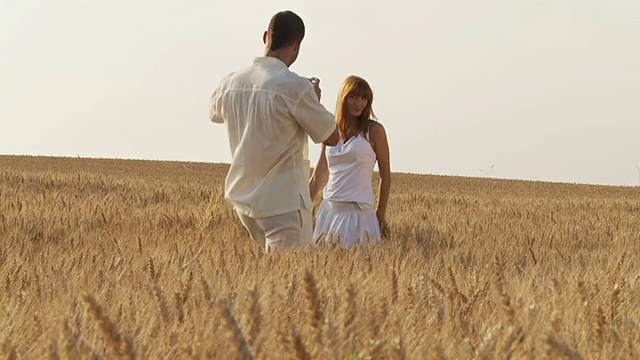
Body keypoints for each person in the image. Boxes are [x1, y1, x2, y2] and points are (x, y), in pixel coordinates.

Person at [209, 10, 340, 252]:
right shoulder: (295, 87)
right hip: (283, 206)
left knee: (270, 279)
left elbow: (214, 114)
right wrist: (314, 101)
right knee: (290, 281)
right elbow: (332, 136)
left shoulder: (230, 82)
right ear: (297, 45)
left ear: (265, 36)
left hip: (244, 203)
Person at [309, 76, 391, 248]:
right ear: (343, 98)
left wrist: (380, 214)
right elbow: (319, 174)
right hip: (328, 213)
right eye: (353, 97)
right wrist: (303, 207)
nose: (358, 103)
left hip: (360, 216)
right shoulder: (330, 129)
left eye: (363, 98)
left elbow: (385, 175)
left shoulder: (375, 131)